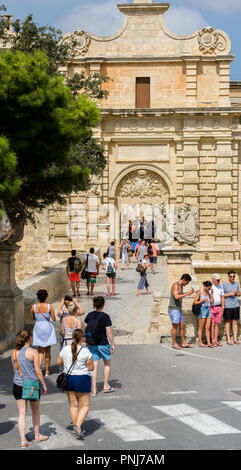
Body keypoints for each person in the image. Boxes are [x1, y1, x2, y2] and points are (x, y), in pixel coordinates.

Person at [12, 330, 48, 448]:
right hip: (31, 385)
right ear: (30, 338)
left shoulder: (14, 353)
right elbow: (38, 371)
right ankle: (37, 435)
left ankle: (23, 440)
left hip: (17, 384)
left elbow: (15, 370)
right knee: (35, 411)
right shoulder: (33, 352)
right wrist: (43, 383)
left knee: (21, 413)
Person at [57, 329, 94, 440]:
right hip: (82, 379)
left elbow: (59, 362)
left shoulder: (65, 349)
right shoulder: (86, 351)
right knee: (85, 406)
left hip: (69, 379)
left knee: (73, 405)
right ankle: (78, 427)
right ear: (82, 338)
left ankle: (75, 426)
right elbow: (91, 367)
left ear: (73, 337)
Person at [84, 296, 115, 396]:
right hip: (103, 344)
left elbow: (86, 328)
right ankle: (106, 385)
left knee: (94, 366)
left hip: (92, 343)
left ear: (94, 305)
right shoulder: (105, 316)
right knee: (107, 364)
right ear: (103, 304)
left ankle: (93, 389)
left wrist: (87, 340)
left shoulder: (89, 315)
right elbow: (109, 332)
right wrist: (112, 344)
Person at [30, 289, 56, 377]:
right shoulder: (50, 306)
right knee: (48, 351)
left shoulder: (34, 307)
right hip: (47, 327)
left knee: (40, 351)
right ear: (46, 297)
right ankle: (47, 371)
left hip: (38, 328)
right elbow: (54, 318)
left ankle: (39, 369)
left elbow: (32, 318)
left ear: (37, 297)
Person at [168, 274, 194, 350]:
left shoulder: (181, 286)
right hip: (173, 309)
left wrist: (189, 292)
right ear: (184, 280)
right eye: (187, 282)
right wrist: (187, 294)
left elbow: (180, 294)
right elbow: (176, 296)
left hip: (178, 309)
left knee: (182, 326)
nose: (187, 284)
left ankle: (183, 342)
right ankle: (174, 343)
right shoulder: (176, 285)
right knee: (175, 327)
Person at [222, 270, 241, 345]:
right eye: (231, 276)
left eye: (233, 276)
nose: (232, 278)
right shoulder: (224, 285)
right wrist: (230, 294)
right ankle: (228, 339)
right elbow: (222, 295)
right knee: (228, 322)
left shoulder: (236, 284)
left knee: (235, 322)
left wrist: (237, 293)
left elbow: (239, 293)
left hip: (236, 305)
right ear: (228, 276)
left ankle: (235, 338)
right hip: (228, 306)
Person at [194, 281, 214, 348]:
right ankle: (200, 342)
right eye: (209, 288)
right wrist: (202, 300)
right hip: (202, 310)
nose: (209, 289)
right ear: (205, 286)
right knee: (201, 327)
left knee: (207, 327)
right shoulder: (199, 292)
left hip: (208, 309)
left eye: (210, 288)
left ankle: (208, 342)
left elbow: (211, 301)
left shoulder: (208, 293)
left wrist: (212, 293)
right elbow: (195, 302)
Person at [210, 274, 225, 347]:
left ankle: (216, 340)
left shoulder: (221, 286)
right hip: (211, 307)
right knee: (212, 325)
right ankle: (212, 340)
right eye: (217, 280)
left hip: (219, 307)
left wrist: (223, 307)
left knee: (217, 324)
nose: (219, 281)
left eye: (219, 280)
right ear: (213, 280)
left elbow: (222, 297)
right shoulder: (210, 286)